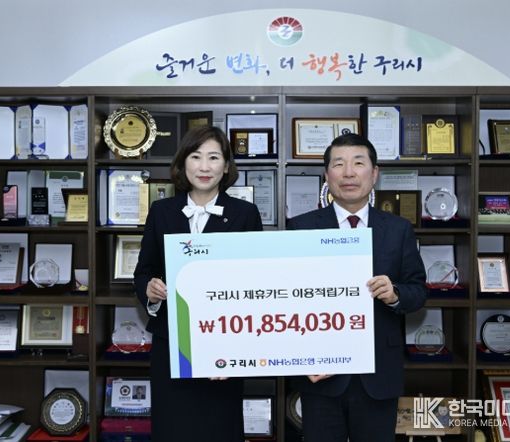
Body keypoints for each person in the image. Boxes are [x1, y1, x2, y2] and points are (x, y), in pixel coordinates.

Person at [286, 133, 427, 442]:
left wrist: (395, 294)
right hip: (321, 374)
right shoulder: (300, 228)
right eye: (339, 164)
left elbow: (418, 291)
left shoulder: (398, 229)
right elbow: (287, 300)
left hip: (379, 374)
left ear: (374, 174)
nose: (348, 173)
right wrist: (302, 357)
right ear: (327, 175)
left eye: (358, 163)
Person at [134, 126, 263, 442]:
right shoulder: (161, 211)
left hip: (225, 344)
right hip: (171, 342)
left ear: (226, 166)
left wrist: (234, 351)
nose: (204, 167)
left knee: (219, 428)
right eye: (196, 157)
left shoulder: (245, 214)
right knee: (172, 428)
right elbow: (144, 271)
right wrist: (151, 291)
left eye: (214, 158)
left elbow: (255, 282)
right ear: (183, 164)